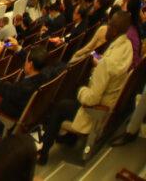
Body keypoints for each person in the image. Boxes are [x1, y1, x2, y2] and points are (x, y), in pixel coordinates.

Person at [38, 11, 134, 164]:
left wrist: (81, 92)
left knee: (60, 106)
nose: (106, 28)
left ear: (114, 29)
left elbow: (92, 98)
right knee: (70, 96)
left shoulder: (106, 64)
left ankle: (43, 154)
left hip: (96, 108)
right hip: (109, 98)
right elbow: (113, 69)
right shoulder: (127, 46)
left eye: (109, 25)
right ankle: (70, 138)